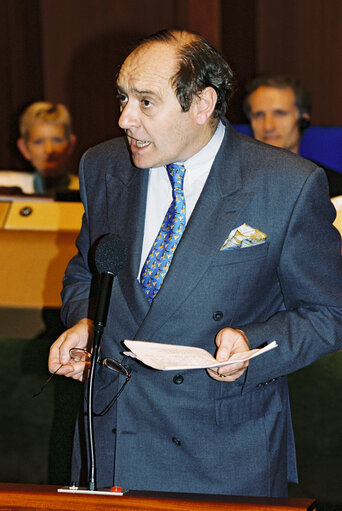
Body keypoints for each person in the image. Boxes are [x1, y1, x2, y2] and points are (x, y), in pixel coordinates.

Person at [48, 29, 342, 497]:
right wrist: (87, 321)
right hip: (112, 446)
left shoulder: (287, 185)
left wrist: (253, 345)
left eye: (146, 101)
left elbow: (328, 313)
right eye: (123, 97)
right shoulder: (102, 166)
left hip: (224, 455)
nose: (125, 118)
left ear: (201, 104)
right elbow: (87, 270)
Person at [243, 75, 342, 197]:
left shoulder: (332, 188)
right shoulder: (228, 182)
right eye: (259, 115)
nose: (268, 126)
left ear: (303, 120)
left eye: (279, 113)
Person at [0, 102, 78, 197]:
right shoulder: (6, 187)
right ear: (24, 148)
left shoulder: (89, 192)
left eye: (57, 140)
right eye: (38, 142)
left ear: (70, 144)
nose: (49, 150)